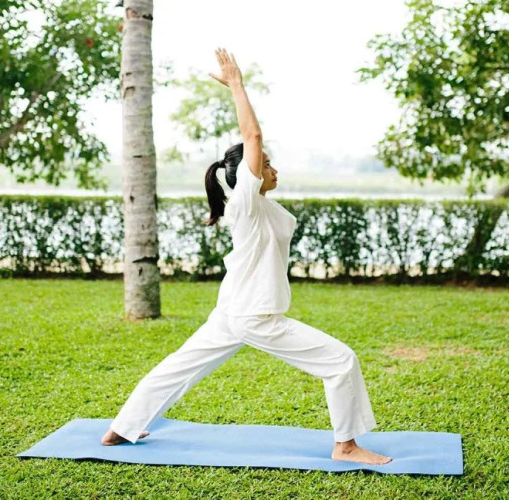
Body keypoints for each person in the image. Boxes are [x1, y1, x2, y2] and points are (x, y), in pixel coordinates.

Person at [102, 48, 391, 465]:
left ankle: (121, 428)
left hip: (234, 309)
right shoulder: (246, 202)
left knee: (180, 367)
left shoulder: (258, 205)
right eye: (267, 165)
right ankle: (345, 446)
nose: (274, 169)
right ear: (249, 175)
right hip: (254, 314)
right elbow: (252, 137)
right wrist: (236, 85)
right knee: (341, 361)